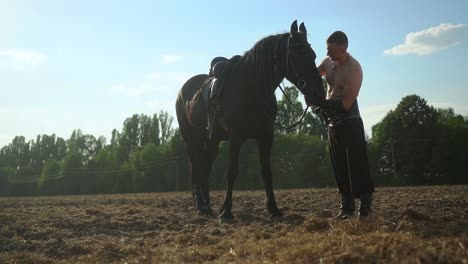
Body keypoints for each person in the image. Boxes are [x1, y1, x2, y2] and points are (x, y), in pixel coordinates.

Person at [305, 31, 374, 219]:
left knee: (357, 165)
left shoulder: (354, 69)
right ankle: (346, 208)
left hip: (350, 121)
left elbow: (346, 104)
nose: (328, 54)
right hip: (332, 123)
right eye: (327, 50)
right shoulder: (328, 63)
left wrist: (320, 104)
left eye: (331, 50)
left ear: (343, 47)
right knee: (339, 166)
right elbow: (312, 75)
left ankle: (365, 207)